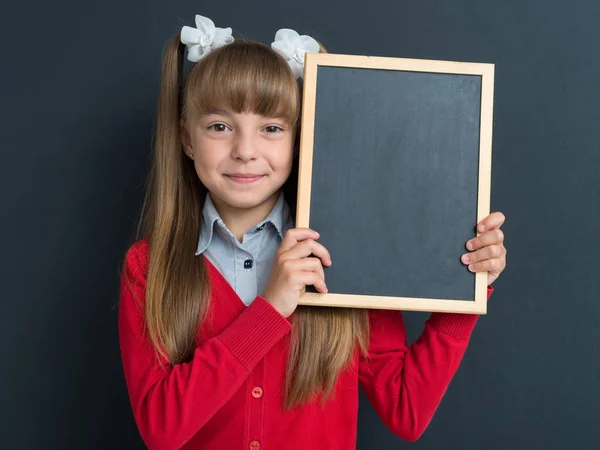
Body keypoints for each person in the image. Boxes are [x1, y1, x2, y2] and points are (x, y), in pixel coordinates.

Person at [118, 14, 507, 450]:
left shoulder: (344, 253)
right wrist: (270, 310)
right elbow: (161, 429)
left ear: (301, 139)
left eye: (271, 129)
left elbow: (407, 410)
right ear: (187, 139)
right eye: (220, 127)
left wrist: (466, 289)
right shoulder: (149, 266)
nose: (246, 151)